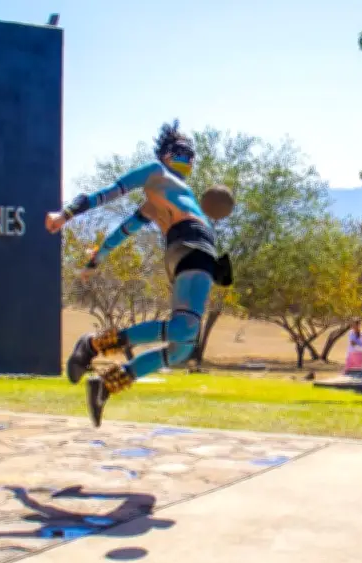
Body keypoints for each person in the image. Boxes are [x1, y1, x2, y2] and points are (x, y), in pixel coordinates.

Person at [44, 120, 233, 427]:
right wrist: (66, 214)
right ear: (165, 154)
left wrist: (96, 260)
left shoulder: (163, 201)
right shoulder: (155, 172)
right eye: (180, 150)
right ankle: (92, 345)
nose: (187, 157)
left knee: (182, 349)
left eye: (191, 153)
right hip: (191, 248)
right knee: (184, 329)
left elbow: (124, 231)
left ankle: (106, 385)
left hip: (199, 258)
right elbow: (107, 193)